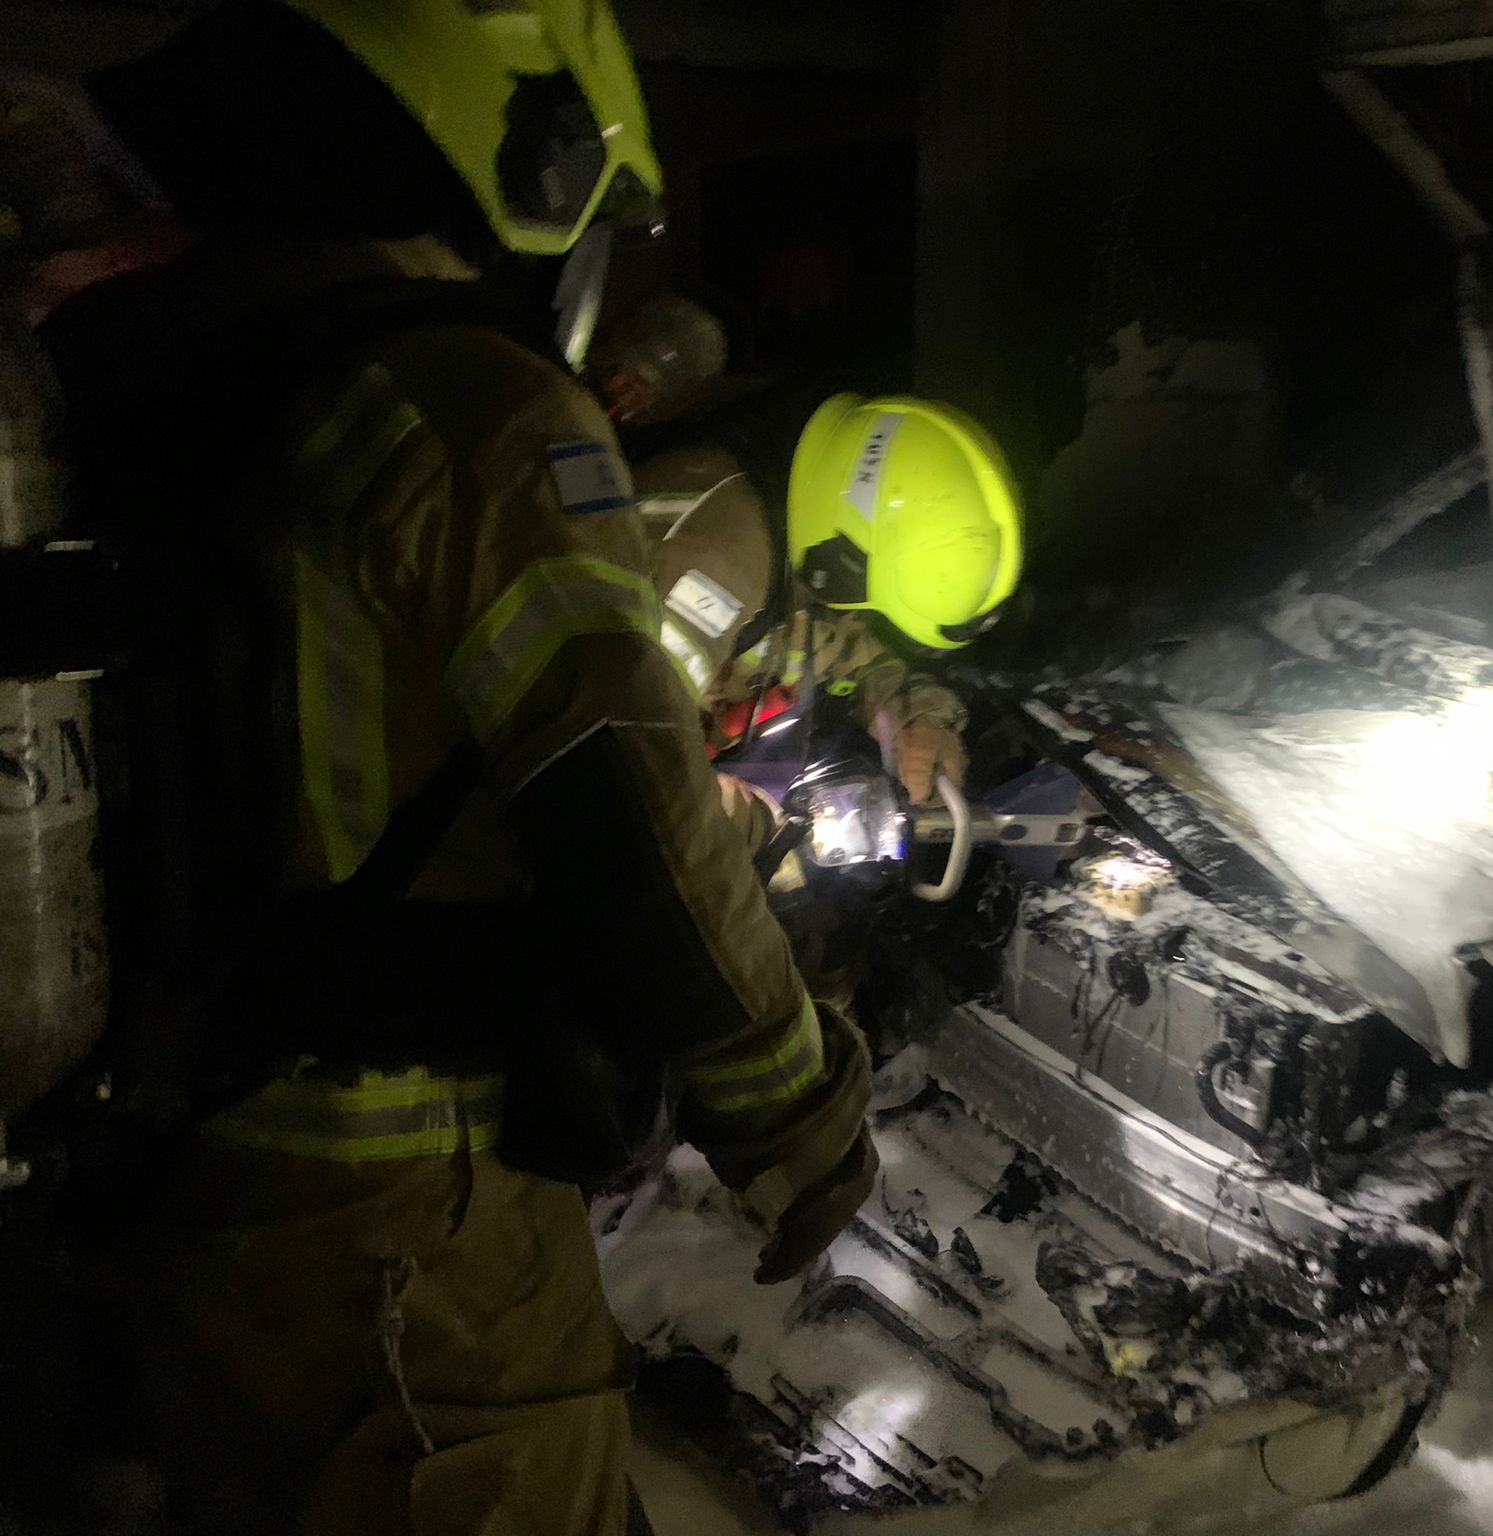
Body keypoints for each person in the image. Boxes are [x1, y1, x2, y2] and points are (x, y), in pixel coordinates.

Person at [27, 3, 874, 1531]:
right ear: (525, 151)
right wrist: (798, 1112)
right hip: (404, 1244)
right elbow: (625, 794)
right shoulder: (471, 408)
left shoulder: (160, 365)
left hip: (177, 1184)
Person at [626, 382, 1023, 809]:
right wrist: (751, 828)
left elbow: (855, 650)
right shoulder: (713, 564)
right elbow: (624, 753)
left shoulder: (810, 540)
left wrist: (921, 721)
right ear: (844, 567)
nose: (868, 621)